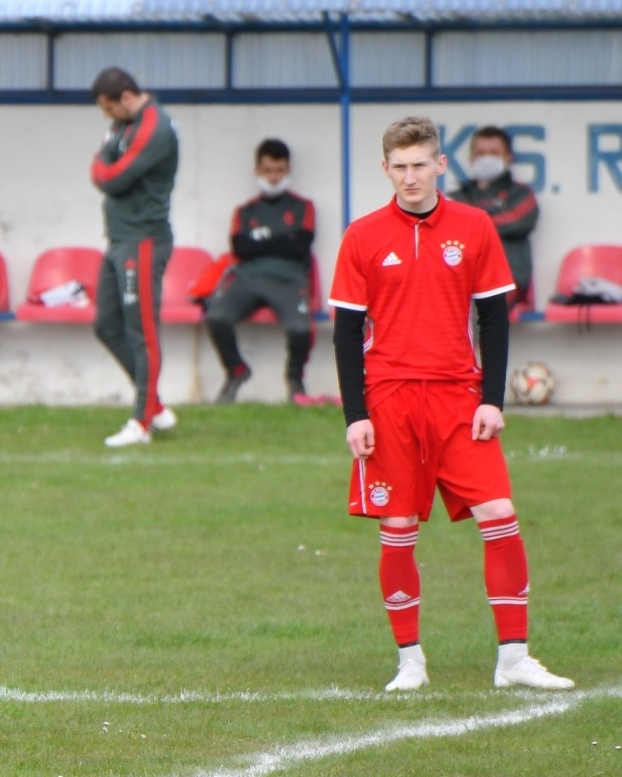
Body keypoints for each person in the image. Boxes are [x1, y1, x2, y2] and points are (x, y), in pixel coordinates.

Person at [328, 116, 571, 693]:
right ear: (385, 169)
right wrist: (355, 414)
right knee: (398, 525)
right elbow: (345, 332)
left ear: (440, 166)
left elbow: (493, 317)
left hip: (460, 399)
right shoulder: (362, 236)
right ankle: (410, 661)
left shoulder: (474, 225)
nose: (410, 177)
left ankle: (514, 657)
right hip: (388, 401)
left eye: (421, 165)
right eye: (400, 166)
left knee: (499, 515)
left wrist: (491, 399)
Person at [89, 67, 180, 448]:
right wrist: (104, 165)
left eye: (109, 109)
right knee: (106, 324)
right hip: (119, 239)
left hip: (143, 240)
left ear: (126, 97)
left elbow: (111, 177)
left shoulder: (154, 127)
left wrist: (105, 167)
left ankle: (141, 423)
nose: (107, 118)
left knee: (142, 331)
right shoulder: (124, 125)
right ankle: (155, 406)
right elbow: (100, 163)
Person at [205, 139, 319, 404]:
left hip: (289, 279)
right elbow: (240, 248)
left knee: (301, 330)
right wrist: (282, 239)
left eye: (279, 170)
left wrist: (261, 241)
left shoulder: (303, 207)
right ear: (258, 170)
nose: (274, 176)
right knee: (216, 317)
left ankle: (294, 379)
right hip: (248, 278)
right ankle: (236, 370)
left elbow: (301, 247)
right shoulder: (245, 211)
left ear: (287, 169)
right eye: (268, 170)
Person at [451, 126, 539, 311]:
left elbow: (517, 221)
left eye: (493, 152)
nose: (486, 158)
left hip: (507, 280)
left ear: (508, 157)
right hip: (461, 279)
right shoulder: (457, 196)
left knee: (477, 299)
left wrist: (470, 222)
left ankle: (479, 341)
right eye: (481, 152)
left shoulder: (521, 195)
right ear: (472, 157)